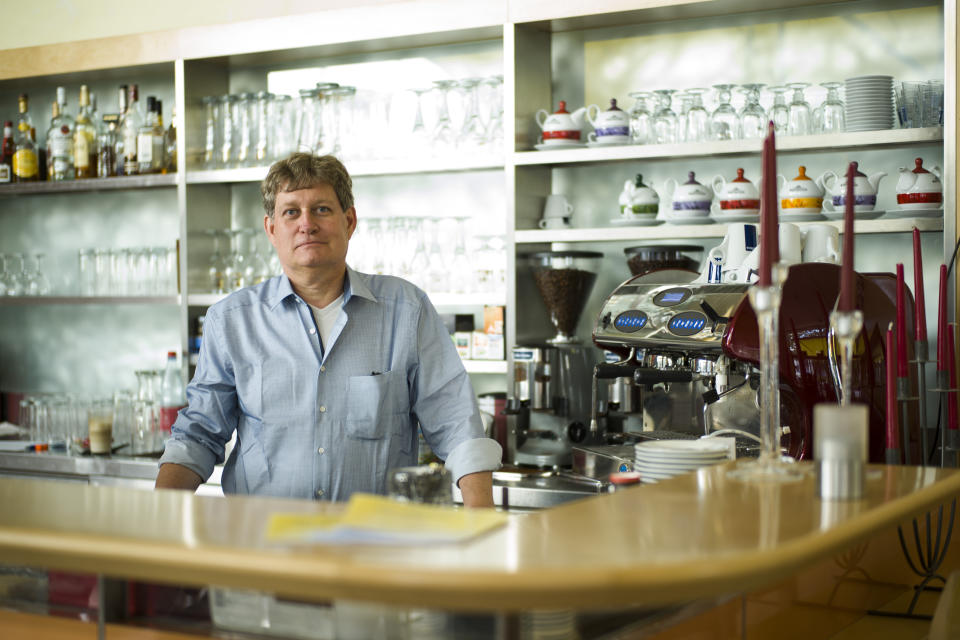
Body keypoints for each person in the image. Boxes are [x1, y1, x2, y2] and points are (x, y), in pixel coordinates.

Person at [155, 153, 501, 507]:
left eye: (321, 209)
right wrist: (159, 515)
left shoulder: (407, 310)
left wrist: (483, 518)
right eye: (291, 211)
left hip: (377, 545)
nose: (307, 224)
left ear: (349, 221)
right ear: (271, 229)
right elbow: (197, 434)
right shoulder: (231, 321)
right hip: (260, 545)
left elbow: (457, 425)